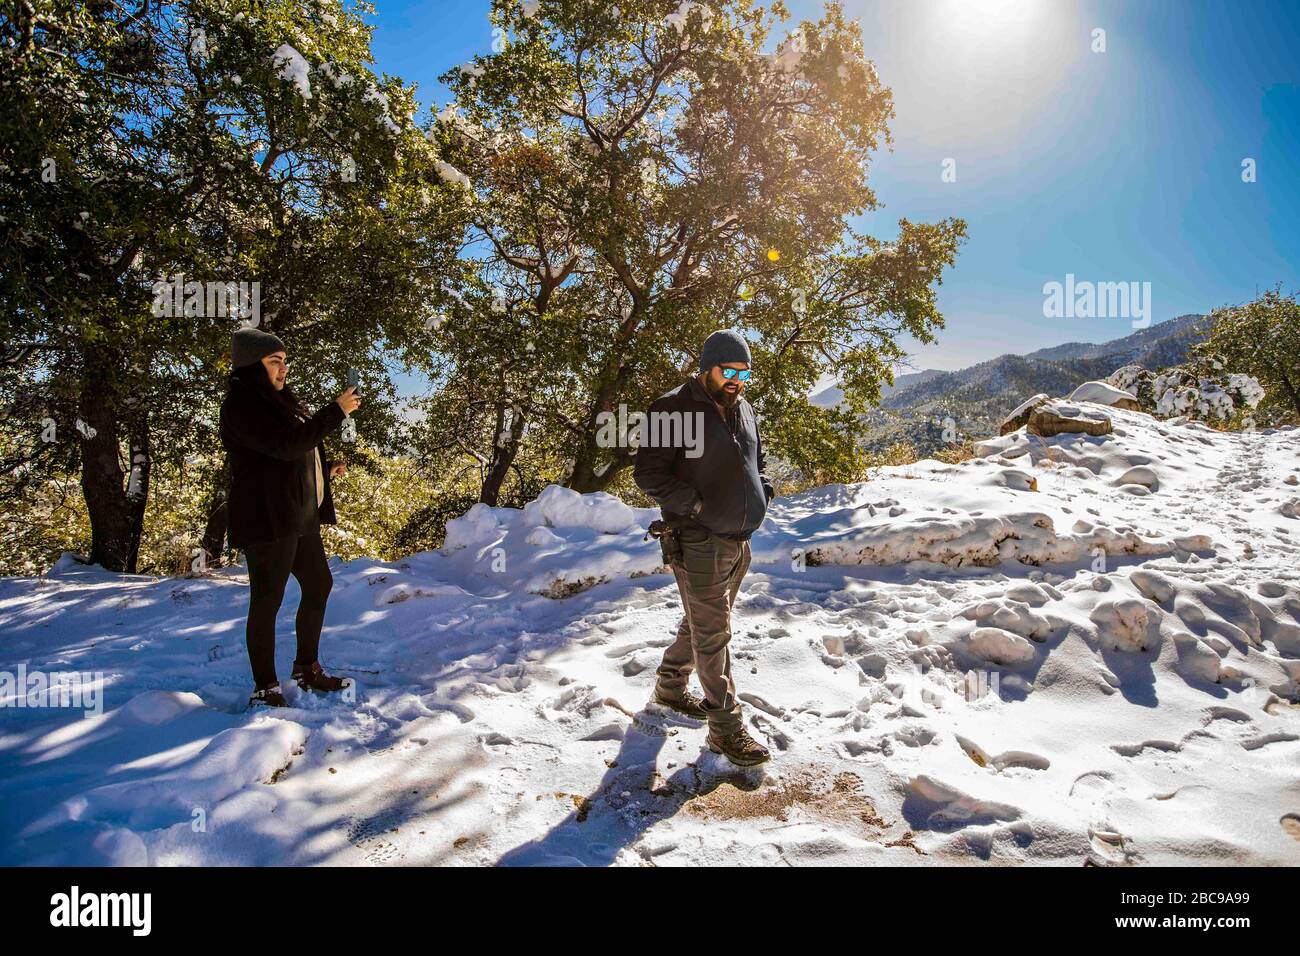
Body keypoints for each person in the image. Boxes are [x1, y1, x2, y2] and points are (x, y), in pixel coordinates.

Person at [633, 329, 775, 766]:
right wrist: (696, 506)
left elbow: (756, 459)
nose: (736, 379)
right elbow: (648, 473)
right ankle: (725, 730)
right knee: (714, 635)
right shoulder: (671, 407)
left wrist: (763, 491)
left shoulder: (744, 408)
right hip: (698, 541)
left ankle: (670, 688)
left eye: (743, 372)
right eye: (727, 370)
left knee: (702, 622)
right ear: (706, 367)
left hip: (740, 541)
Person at [219, 327, 361, 708]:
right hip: (266, 519)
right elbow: (285, 446)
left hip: (297, 516)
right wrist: (337, 411)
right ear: (251, 364)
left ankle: (306, 669)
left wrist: (322, 469)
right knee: (267, 599)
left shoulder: (277, 401)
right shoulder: (242, 404)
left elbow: (292, 454)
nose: (283, 370)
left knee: (318, 584)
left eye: (285, 362)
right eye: (274, 362)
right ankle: (265, 688)